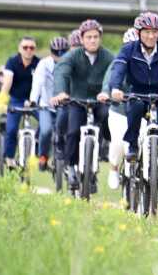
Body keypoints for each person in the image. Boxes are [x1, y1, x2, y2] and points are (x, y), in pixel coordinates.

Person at [108, 14, 158, 204]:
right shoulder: (128, 49)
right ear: (139, 33)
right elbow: (118, 69)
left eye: (155, 32)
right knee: (136, 107)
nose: (151, 36)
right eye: (147, 32)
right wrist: (115, 88)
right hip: (137, 93)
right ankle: (132, 145)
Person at [51, 19, 114, 191]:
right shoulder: (73, 55)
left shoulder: (108, 56)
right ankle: (71, 167)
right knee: (72, 132)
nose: (92, 40)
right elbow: (61, 70)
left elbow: (114, 72)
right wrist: (61, 91)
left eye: (95, 37)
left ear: (100, 38)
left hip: (100, 99)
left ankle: (105, 150)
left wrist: (108, 92)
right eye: (89, 37)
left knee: (108, 118)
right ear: (82, 39)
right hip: (77, 100)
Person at [101, 28, 139, 190]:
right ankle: (114, 168)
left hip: (141, 111)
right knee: (118, 142)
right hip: (120, 110)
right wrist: (106, 92)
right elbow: (109, 80)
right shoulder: (118, 61)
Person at [27, 36, 69, 171]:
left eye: (63, 52)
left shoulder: (71, 64)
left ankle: (69, 161)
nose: (60, 56)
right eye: (57, 53)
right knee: (45, 131)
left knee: (68, 132)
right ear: (51, 52)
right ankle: (43, 156)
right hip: (46, 106)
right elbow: (37, 82)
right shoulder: (44, 64)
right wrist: (33, 100)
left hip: (65, 105)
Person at [0, 36, 40, 168]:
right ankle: (9, 158)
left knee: (47, 124)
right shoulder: (12, 62)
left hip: (34, 101)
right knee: (11, 130)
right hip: (16, 100)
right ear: (19, 49)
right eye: (25, 47)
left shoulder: (39, 63)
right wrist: (2, 102)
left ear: (35, 50)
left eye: (31, 48)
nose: (28, 50)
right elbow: (7, 83)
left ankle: (37, 145)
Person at [52, 29, 82, 168]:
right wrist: (61, 93)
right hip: (68, 99)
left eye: (80, 47)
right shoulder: (66, 60)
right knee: (63, 115)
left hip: (85, 100)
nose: (77, 50)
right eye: (75, 46)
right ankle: (59, 139)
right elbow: (59, 76)